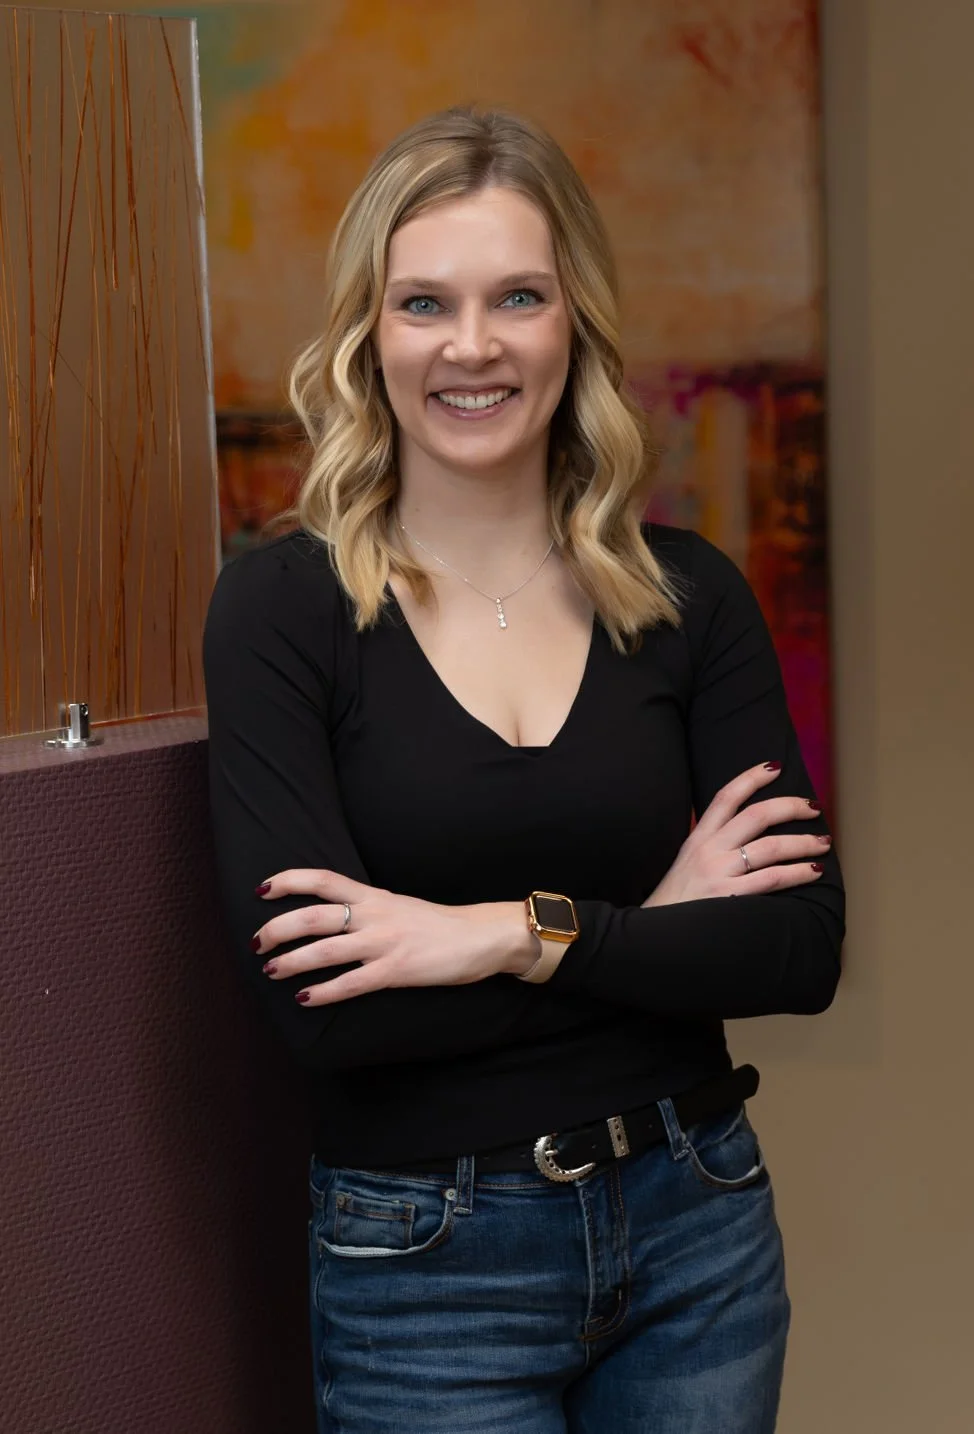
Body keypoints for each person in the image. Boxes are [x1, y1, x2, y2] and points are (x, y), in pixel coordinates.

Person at [202, 105, 844, 1434]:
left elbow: (798, 950)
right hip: (425, 1263)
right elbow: (332, 1016)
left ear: (574, 325)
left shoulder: (690, 598)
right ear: (369, 334)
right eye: (424, 301)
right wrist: (657, 928)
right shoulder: (282, 613)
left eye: (519, 297)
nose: (473, 345)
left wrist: (499, 933)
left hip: (697, 1227)